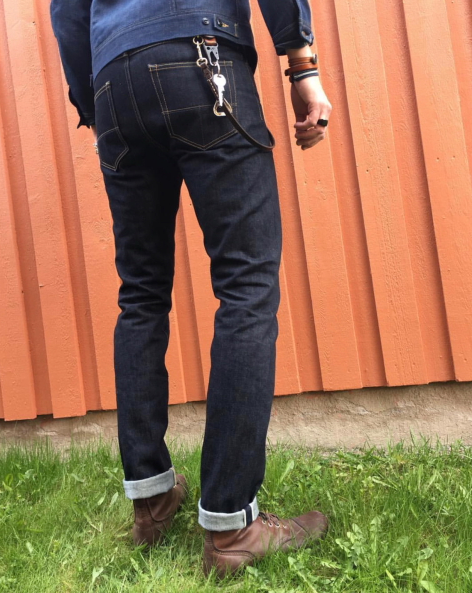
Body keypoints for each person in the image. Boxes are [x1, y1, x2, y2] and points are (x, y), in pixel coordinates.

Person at [50, 0, 332, 578]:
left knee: (140, 294)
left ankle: (151, 501)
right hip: (201, 57)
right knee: (247, 285)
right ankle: (231, 525)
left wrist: (94, 98)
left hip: (113, 83)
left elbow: (66, 10)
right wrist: (302, 67)